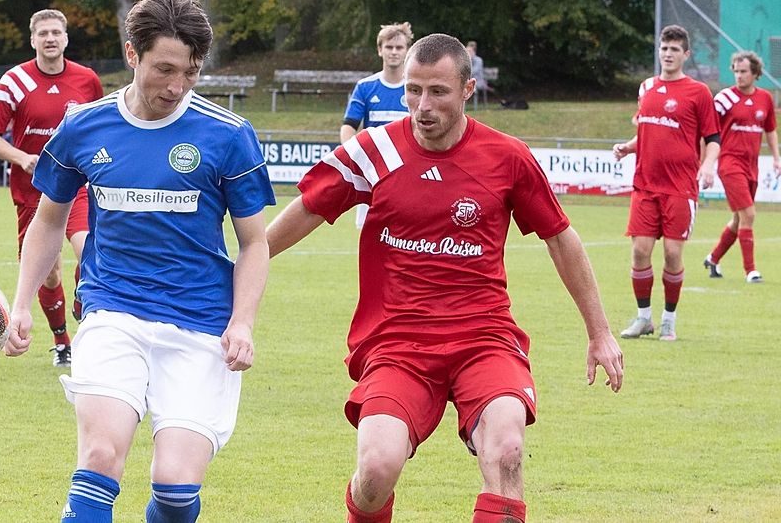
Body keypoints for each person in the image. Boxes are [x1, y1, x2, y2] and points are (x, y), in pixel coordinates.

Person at [267, 33, 623, 523]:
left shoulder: (507, 157)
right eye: (413, 91)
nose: (422, 106)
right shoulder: (376, 151)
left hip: (484, 337)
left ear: (468, 89)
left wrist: (600, 333)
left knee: (507, 451)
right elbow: (307, 209)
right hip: (398, 341)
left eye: (438, 92)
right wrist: (240, 270)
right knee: (375, 471)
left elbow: (561, 239)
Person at [3, 0, 275, 522]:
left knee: (175, 487)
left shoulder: (228, 135)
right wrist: (21, 303)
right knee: (100, 456)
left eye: (190, 72)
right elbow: (49, 220)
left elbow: (254, 242)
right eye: (164, 69)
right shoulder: (85, 126)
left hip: (200, 322)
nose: (176, 87)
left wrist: (242, 322)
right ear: (133, 54)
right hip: (112, 311)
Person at [0, 8, 103, 367]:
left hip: (77, 184)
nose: (50, 38)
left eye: (56, 32)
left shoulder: (87, 80)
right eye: (43, 33)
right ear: (33, 39)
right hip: (32, 189)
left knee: (89, 249)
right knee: (48, 273)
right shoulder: (14, 80)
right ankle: (62, 341)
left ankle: (85, 306)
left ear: (65, 38)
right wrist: (22, 158)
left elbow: (98, 127)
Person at [613, 24, 720, 342]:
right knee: (640, 251)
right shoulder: (646, 87)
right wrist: (628, 147)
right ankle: (644, 318)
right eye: (664, 48)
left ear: (686, 54)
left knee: (673, 254)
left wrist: (708, 165)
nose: (668, 54)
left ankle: (668, 321)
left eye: (674, 49)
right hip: (645, 185)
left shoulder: (698, 92)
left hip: (680, 187)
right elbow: (648, 130)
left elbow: (713, 138)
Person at [704, 50, 780, 283]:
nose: (739, 75)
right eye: (736, 71)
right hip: (730, 163)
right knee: (749, 214)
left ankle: (713, 259)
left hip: (752, 167)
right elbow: (707, 129)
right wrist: (705, 162)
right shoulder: (725, 98)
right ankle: (751, 271)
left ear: (755, 73)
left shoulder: (765, 98)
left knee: (739, 220)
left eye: (744, 71)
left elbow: (770, 130)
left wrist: (776, 158)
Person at [341, 22, 413, 229]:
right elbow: (349, 126)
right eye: (389, 47)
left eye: (399, 47)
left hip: (408, 170)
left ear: (407, 51)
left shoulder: (415, 88)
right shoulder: (365, 87)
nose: (394, 52)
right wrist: (354, 154)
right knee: (369, 230)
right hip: (374, 172)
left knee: (407, 231)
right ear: (380, 50)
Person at [466, 40, 486, 106]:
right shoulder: (466, 60)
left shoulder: (478, 60)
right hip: (469, 81)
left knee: (469, 85)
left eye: (469, 51)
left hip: (479, 81)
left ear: (473, 52)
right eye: (466, 51)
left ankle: (474, 106)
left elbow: (474, 71)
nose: (467, 53)